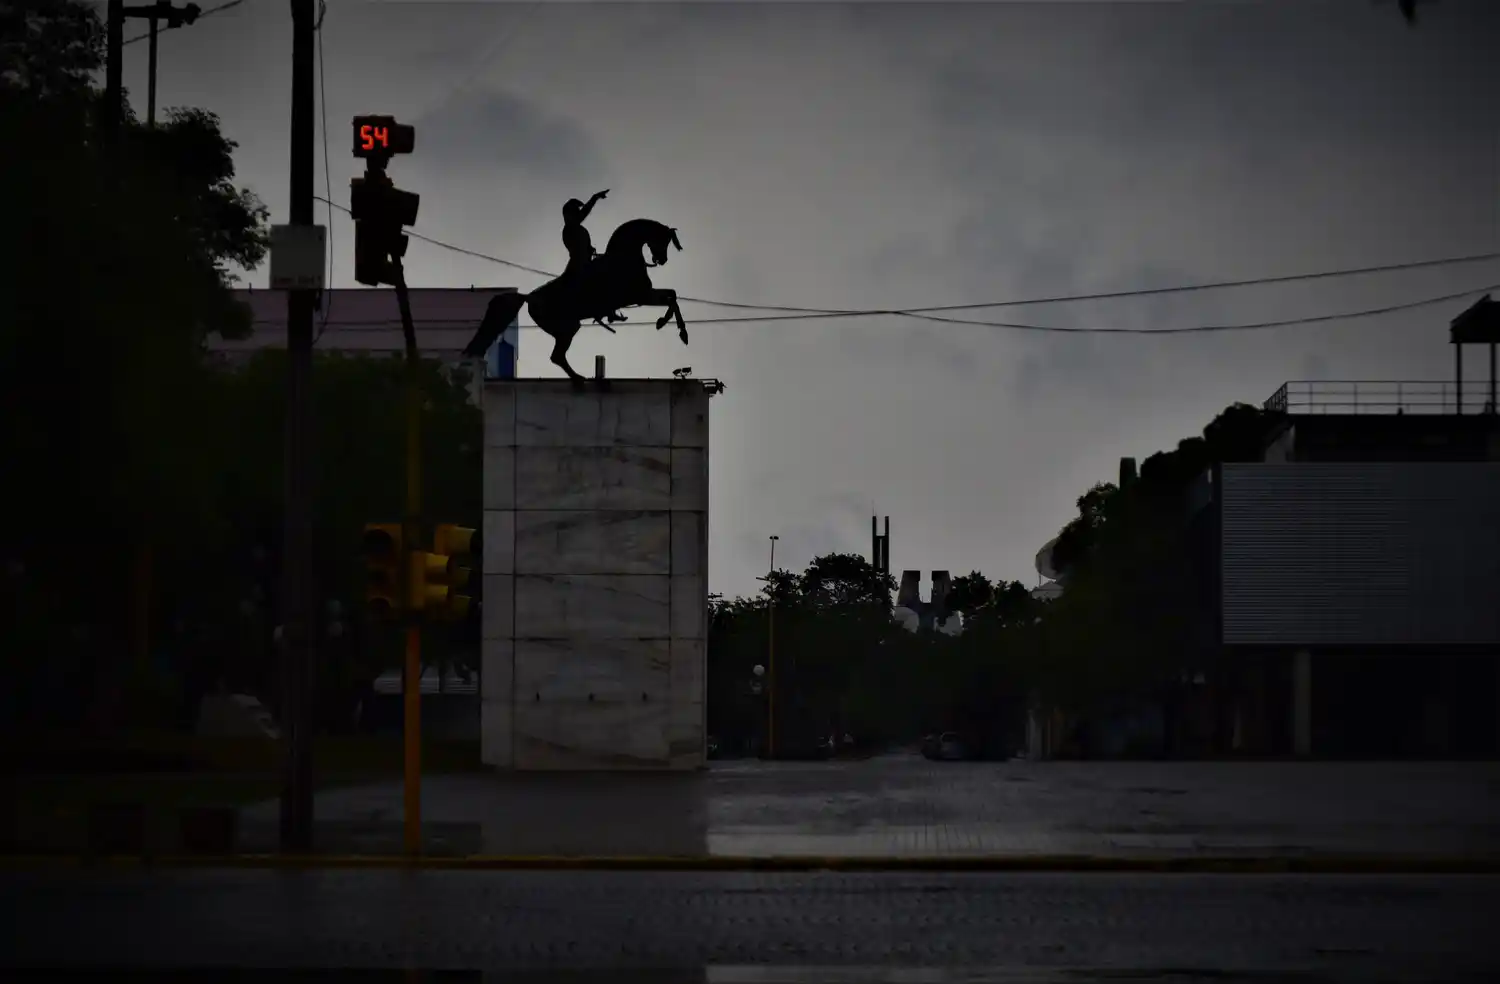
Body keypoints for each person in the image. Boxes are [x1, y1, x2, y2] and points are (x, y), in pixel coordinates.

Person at [561, 189, 625, 326]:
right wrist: (594, 198)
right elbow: (575, 248)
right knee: (600, 277)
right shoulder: (569, 229)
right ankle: (606, 310)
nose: (578, 214)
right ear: (569, 214)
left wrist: (594, 198)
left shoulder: (574, 227)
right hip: (578, 264)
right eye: (574, 212)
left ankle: (609, 309)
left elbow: (583, 215)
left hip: (584, 261)